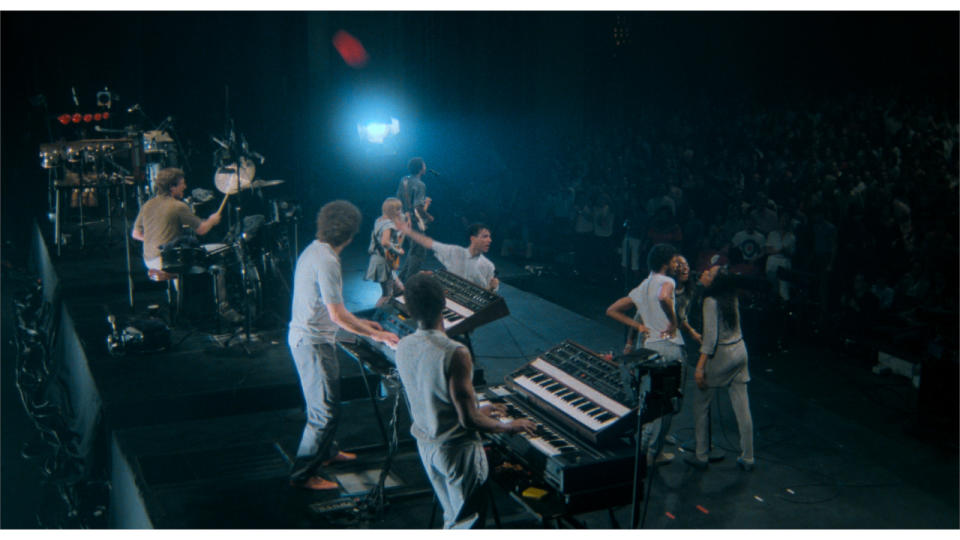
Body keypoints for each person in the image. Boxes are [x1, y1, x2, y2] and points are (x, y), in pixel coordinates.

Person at [395, 272, 535, 528]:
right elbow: (469, 421)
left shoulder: (403, 345)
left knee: (452, 518)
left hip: (427, 446)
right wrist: (508, 426)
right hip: (457, 452)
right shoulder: (455, 352)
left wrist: (480, 408)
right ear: (444, 301)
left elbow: (432, 398)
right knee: (468, 524)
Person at [288, 200, 400, 490]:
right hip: (312, 342)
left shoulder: (315, 250)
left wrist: (365, 326)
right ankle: (303, 475)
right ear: (351, 235)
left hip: (312, 337)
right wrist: (375, 335)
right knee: (324, 411)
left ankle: (327, 452)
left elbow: (335, 309)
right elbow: (338, 315)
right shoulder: (327, 261)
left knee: (324, 404)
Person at [605, 243, 684, 465]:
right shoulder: (667, 281)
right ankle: (654, 453)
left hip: (648, 347)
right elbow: (664, 296)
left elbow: (611, 310)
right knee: (667, 402)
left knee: (649, 399)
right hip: (668, 346)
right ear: (666, 262)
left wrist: (637, 326)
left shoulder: (643, 285)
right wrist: (674, 321)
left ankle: (645, 448)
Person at [685, 270, 755, 472]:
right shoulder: (731, 295)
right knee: (742, 407)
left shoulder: (710, 301)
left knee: (701, 404)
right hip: (740, 351)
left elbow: (710, 339)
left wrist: (699, 367)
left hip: (722, 355)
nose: (704, 273)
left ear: (714, 283)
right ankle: (748, 457)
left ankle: (701, 455)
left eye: (709, 273)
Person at [131, 167, 221, 271]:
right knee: (213, 256)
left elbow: (136, 234)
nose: (185, 186)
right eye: (182, 184)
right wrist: (212, 220)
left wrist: (153, 240)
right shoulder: (178, 206)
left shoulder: (147, 205)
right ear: (172, 187)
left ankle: (176, 286)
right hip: (168, 260)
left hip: (149, 261)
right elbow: (202, 230)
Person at [394, 219, 499, 292]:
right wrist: (407, 231)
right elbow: (428, 242)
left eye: (490, 237)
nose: (490, 240)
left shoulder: (489, 266)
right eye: (485, 237)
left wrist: (492, 288)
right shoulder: (455, 252)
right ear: (473, 238)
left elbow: (487, 297)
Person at [365, 197, 405, 307]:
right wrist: (398, 251)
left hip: (382, 261)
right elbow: (385, 242)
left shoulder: (379, 220)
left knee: (400, 289)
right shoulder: (388, 225)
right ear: (392, 211)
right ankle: (375, 317)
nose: (400, 211)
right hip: (383, 262)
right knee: (386, 295)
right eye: (398, 209)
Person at [397, 157, 430, 282]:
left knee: (413, 249)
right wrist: (428, 216)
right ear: (421, 168)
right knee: (419, 252)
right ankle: (409, 283)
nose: (425, 167)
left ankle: (400, 281)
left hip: (404, 218)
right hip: (415, 221)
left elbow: (399, 199)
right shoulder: (420, 184)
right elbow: (418, 207)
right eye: (424, 165)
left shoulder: (404, 180)